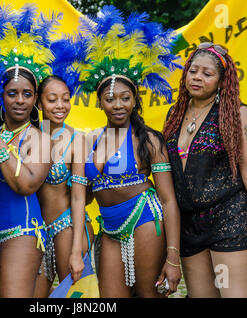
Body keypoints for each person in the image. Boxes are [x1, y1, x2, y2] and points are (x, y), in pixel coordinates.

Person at [162, 42, 247, 298]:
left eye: (207, 74)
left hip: (231, 221)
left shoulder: (237, 116)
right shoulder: (174, 115)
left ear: (222, 81)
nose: (197, 77)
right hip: (190, 226)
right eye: (193, 71)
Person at [79, 6, 182, 298]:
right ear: (99, 102)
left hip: (145, 219)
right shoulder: (89, 140)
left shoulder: (148, 140)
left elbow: (168, 200)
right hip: (108, 226)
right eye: (110, 99)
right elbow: (85, 193)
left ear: (135, 100)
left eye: (125, 98)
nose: (118, 105)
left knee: (148, 295)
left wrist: (172, 258)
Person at [0, 9, 58, 296]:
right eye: (12, 93)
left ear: (35, 98)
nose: (20, 100)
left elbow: (26, 184)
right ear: (1, 96)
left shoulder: (41, 139)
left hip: (22, 232)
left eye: (27, 94)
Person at [34, 75, 94, 297]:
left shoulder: (76, 140)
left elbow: (79, 197)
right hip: (39, 230)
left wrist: (76, 250)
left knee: (73, 297)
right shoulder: (28, 135)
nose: (60, 106)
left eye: (66, 99)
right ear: (39, 103)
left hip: (67, 226)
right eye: (52, 100)